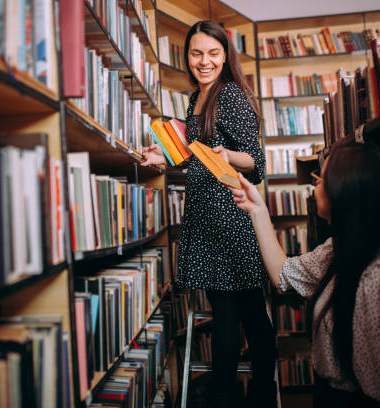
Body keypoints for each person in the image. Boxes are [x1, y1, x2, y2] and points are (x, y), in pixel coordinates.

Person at [229, 139, 380, 407]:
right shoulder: (338, 250)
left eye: (322, 180)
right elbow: (283, 274)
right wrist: (257, 210)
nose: (315, 187)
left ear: (346, 193)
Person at [142, 20, 276, 407]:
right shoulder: (196, 98)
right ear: (187, 56)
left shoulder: (230, 94)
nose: (205, 61)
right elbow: (194, 157)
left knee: (238, 314)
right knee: (240, 311)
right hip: (205, 217)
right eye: (197, 53)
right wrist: (164, 158)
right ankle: (251, 393)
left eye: (213, 53)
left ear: (225, 56)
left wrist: (227, 155)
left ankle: (238, 394)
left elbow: (256, 160)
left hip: (231, 217)